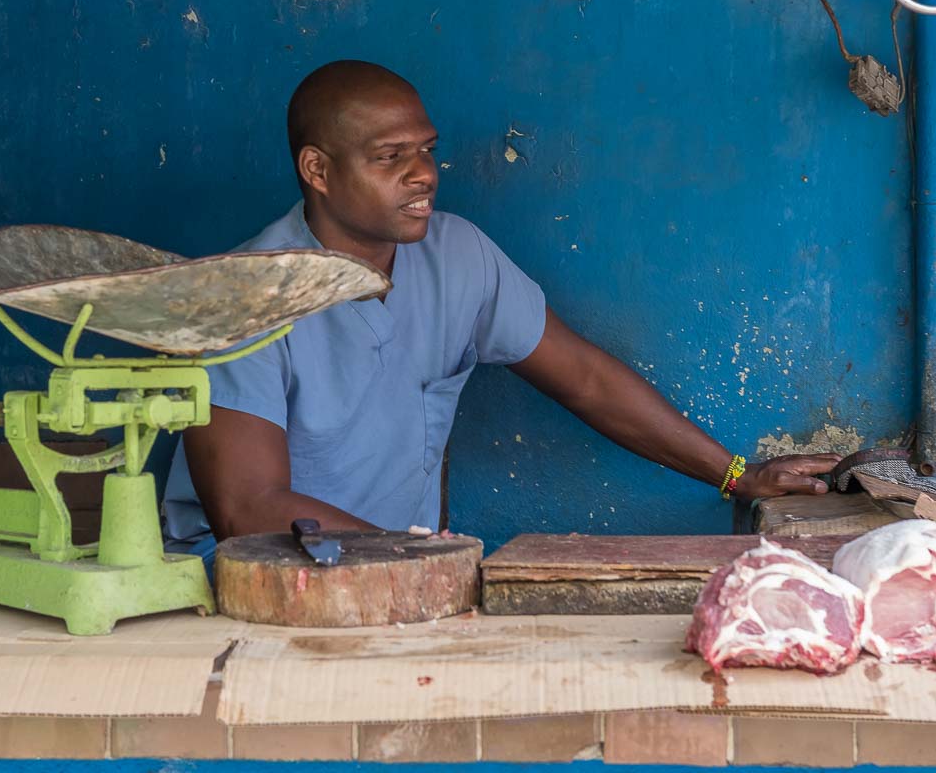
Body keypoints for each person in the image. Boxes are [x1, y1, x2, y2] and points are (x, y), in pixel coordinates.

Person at [162, 61, 838, 558]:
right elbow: (247, 510)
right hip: (260, 592)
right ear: (317, 170)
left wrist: (738, 475)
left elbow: (585, 378)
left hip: (396, 579)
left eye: (427, 151)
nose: (422, 173)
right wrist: (423, 561)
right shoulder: (240, 298)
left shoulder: (458, 256)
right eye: (389, 158)